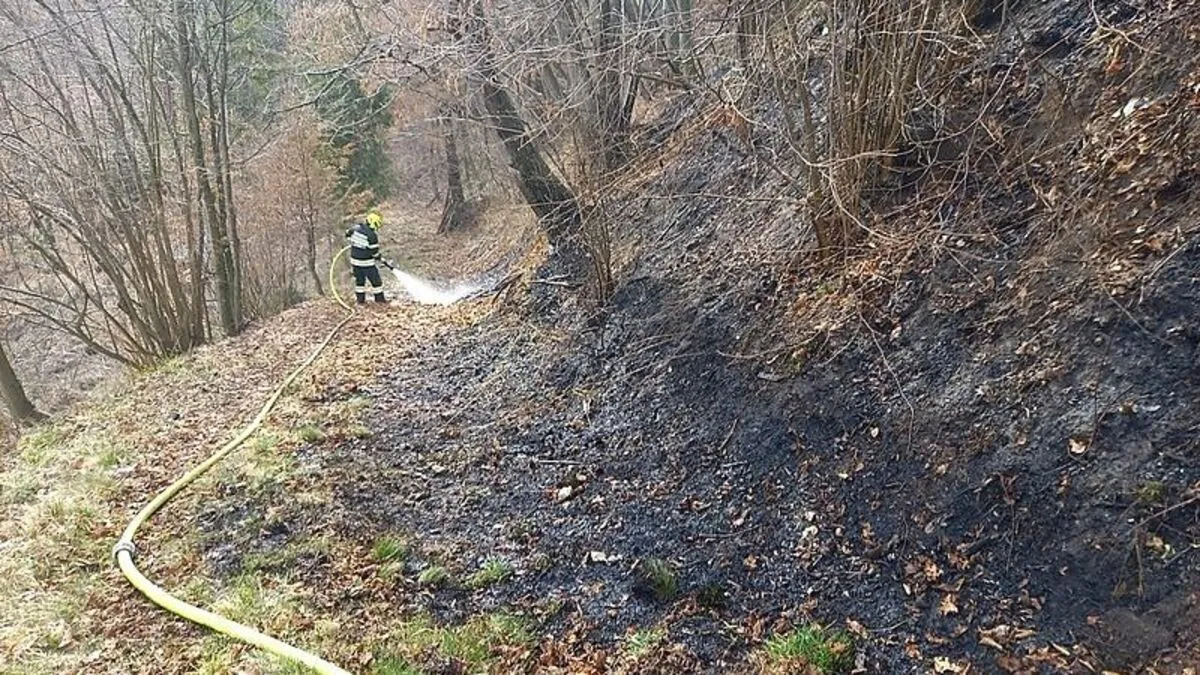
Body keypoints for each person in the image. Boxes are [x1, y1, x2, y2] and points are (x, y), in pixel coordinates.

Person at [345, 212, 392, 305]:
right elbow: (374, 252)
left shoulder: (356, 227)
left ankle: (360, 301)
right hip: (366, 263)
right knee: (376, 282)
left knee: (360, 282)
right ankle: (380, 300)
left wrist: (355, 242)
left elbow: (347, 234)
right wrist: (380, 258)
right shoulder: (372, 235)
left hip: (354, 261)